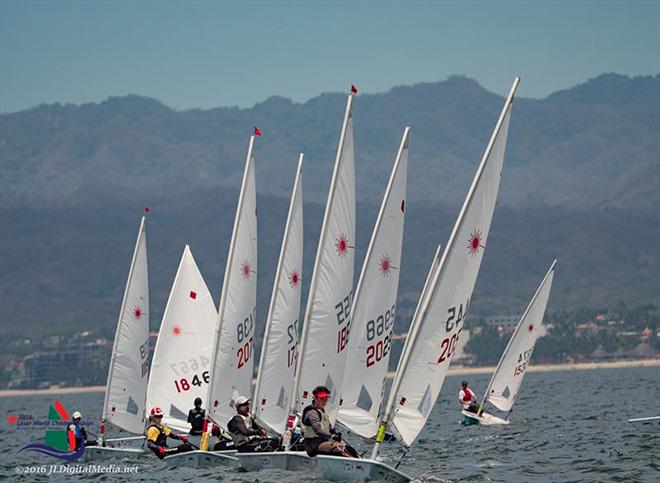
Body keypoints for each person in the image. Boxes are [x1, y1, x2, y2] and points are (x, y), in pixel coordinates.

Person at [301, 386, 358, 458]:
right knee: (346, 449)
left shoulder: (322, 411)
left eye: (326, 399)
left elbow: (328, 427)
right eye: (322, 399)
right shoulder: (312, 412)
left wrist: (334, 432)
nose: (324, 401)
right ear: (315, 398)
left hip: (322, 442)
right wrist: (331, 436)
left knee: (350, 449)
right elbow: (317, 429)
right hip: (313, 444)